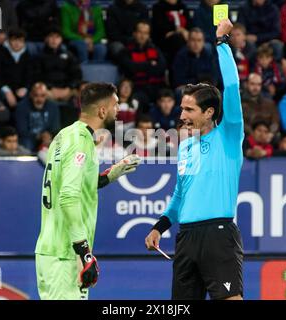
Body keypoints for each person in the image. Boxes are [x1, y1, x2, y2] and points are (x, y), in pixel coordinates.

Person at [145, 19, 245, 300]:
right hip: (186, 238)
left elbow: (234, 88)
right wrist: (160, 227)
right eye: (182, 108)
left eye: (189, 109)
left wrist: (223, 44)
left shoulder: (229, 136)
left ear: (210, 112)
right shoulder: (186, 147)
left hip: (218, 234)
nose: (182, 115)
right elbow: (181, 194)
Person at [35, 82, 141, 300]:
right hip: (64, 254)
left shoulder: (64, 136)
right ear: (102, 110)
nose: (118, 110)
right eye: (115, 105)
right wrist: (84, 253)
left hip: (53, 250)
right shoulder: (81, 141)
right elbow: (68, 196)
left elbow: (72, 184)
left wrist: (112, 174)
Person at [118, 20, 166, 106]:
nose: (142, 36)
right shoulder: (126, 51)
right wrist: (149, 64)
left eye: (146, 33)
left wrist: (140, 67)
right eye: (140, 32)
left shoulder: (155, 50)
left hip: (156, 87)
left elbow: (161, 68)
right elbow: (131, 68)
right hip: (137, 88)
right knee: (138, 99)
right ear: (134, 33)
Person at [0, 28, 33, 109]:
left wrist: (25, 88)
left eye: (20, 41)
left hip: (20, 90)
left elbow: (30, 75)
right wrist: (7, 91)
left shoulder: (27, 55)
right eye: (14, 40)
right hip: (1, 89)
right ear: (8, 40)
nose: (17, 43)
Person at [15, 82, 60, 151]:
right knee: (26, 143)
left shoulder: (53, 107)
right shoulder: (22, 107)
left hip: (47, 137)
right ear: (31, 95)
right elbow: (21, 130)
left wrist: (48, 135)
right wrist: (38, 136)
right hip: (29, 138)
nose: (39, 99)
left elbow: (55, 127)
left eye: (43, 96)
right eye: (36, 95)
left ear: (46, 96)